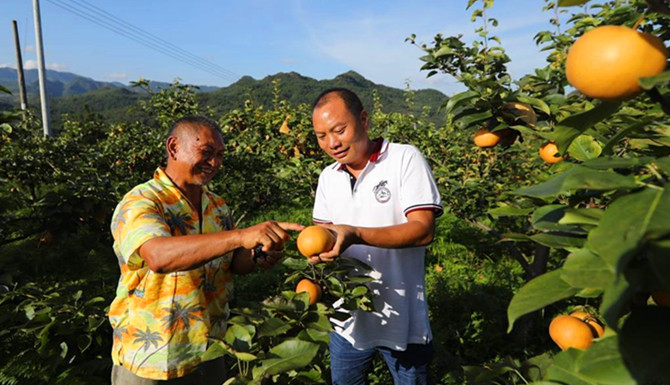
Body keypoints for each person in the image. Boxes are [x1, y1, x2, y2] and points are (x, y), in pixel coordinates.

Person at [108, 115, 303, 384]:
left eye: (220, 155)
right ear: (174, 147)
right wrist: (239, 236)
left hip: (209, 348)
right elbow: (158, 256)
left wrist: (256, 255)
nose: (215, 163)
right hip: (152, 356)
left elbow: (232, 264)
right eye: (207, 153)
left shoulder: (217, 206)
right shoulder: (142, 202)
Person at [309, 88, 443, 385]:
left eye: (339, 130)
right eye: (321, 135)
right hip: (347, 322)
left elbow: (423, 229)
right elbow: (325, 238)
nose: (332, 143)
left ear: (364, 120)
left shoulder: (403, 159)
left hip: (403, 321)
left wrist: (355, 234)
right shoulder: (328, 177)